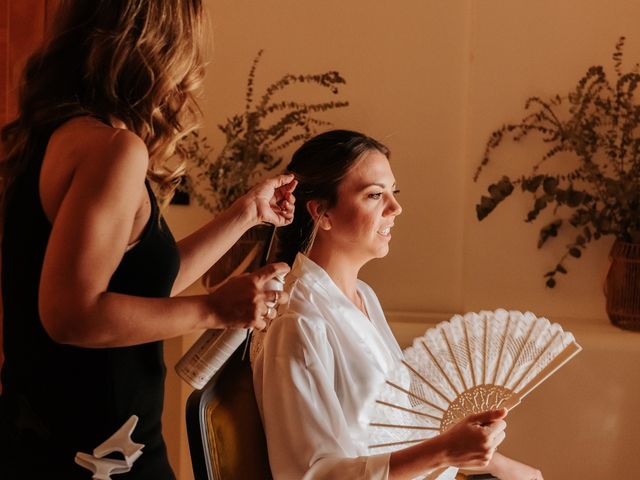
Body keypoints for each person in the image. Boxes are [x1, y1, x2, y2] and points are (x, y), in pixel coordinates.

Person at [0, 1, 295, 478]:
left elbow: (137, 290)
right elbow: (71, 315)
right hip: (100, 458)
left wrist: (245, 215)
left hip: (43, 445)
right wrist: (214, 309)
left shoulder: (57, 136)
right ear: (162, 48)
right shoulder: (114, 151)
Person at [252, 130, 543, 480]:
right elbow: (313, 474)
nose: (395, 208)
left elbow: (390, 432)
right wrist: (446, 450)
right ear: (321, 212)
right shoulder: (298, 322)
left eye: (394, 192)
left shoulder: (363, 297)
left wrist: (489, 459)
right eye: (375, 195)